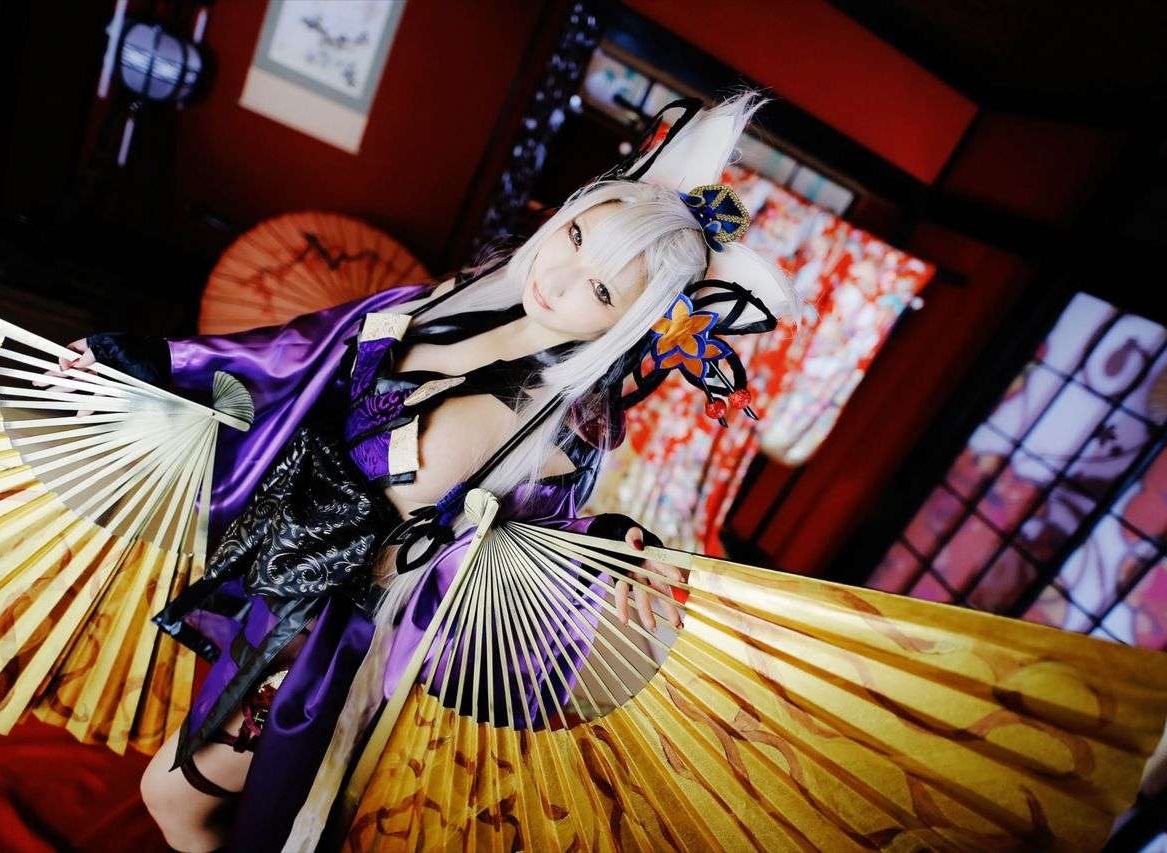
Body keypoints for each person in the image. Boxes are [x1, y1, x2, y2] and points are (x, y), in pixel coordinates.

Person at [56, 91, 796, 852]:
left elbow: (541, 551)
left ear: (630, 325)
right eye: (576, 236)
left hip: (336, 646)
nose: (560, 278)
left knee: (180, 797)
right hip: (276, 564)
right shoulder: (452, 302)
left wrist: (612, 550)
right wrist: (155, 362)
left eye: (602, 289)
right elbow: (295, 355)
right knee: (186, 791)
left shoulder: (559, 430)